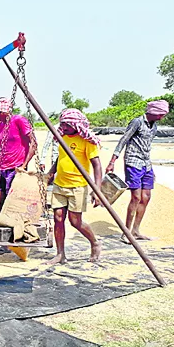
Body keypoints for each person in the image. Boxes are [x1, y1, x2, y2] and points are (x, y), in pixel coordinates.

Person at [106, 100, 170, 242]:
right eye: (160, 114)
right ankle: (126, 232)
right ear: (152, 112)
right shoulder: (137, 122)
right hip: (133, 162)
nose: (161, 117)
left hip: (146, 163)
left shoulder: (154, 126)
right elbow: (123, 140)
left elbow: (147, 146)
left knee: (146, 197)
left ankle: (136, 230)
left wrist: (151, 169)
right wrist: (112, 161)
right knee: (136, 197)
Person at [47, 108, 102, 265]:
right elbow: (61, 157)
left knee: (75, 221)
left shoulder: (87, 141)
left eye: (67, 126)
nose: (63, 128)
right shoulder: (62, 137)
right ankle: (60, 254)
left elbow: (97, 166)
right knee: (58, 219)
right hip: (60, 184)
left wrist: (97, 190)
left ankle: (95, 242)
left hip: (77, 186)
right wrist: (51, 173)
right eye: (62, 125)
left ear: (76, 125)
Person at [0, 97, 37, 211]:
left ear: (6, 112)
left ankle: (15, 225)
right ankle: (0, 224)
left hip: (16, 167)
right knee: (0, 202)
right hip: (1, 168)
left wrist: (23, 166)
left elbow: (33, 144)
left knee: (13, 201)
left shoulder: (19, 121)